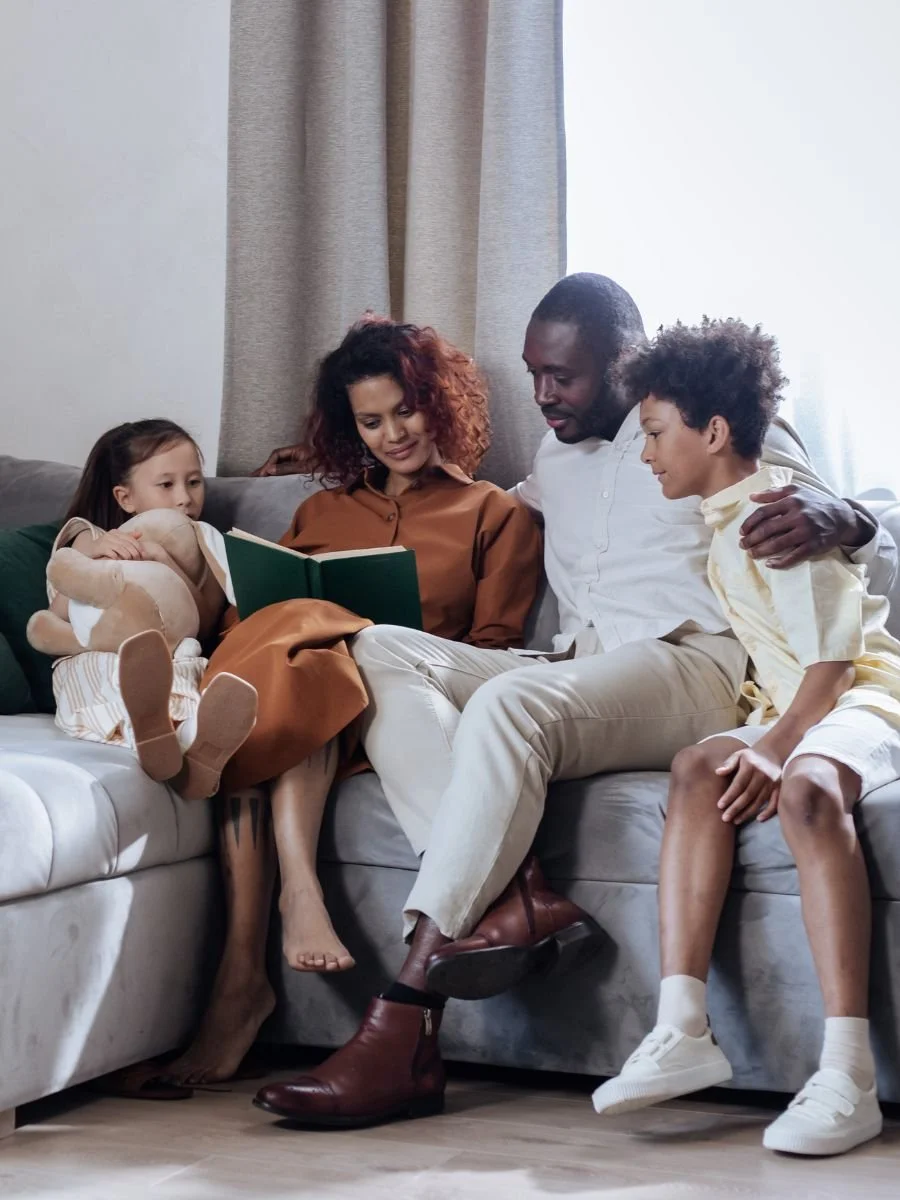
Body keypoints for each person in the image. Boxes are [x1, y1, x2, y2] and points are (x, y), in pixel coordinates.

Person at [253, 274, 898, 1130]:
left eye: (566, 376)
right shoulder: (555, 457)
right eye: (534, 374)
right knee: (375, 651)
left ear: (626, 365)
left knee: (512, 708)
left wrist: (844, 514)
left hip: (687, 661)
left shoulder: (694, 425)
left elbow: (826, 517)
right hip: (576, 664)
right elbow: (485, 504)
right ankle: (515, 897)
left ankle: (407, 1003)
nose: (545, 394)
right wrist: (348, 471)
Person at [163, 316, 544, 1089]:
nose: (393, 434)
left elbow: (497, 656)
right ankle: (253, 962)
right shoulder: (322, 513)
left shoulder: (497, 515)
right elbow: (252, 625)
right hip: (299, 705)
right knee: (297, 658)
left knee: (313, 654)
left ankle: (256, 955)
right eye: (370, 422)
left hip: (392, 709)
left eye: (405, 411)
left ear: (439, 403)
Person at [591, 318, 900, 1157]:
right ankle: (682, 1026)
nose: (647, 454)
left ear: (714, 431)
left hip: (869, 695)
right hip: (801, 697)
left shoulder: (777, 516)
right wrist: (757, 738)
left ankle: (848, 1076)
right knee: (696, 768)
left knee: (803, 788)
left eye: (655, 434)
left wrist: (775, 747)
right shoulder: (724, 516)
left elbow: (836, 664)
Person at [44, 419, 257, 797]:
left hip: (172, 653)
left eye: (194, 482)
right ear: (125, 498)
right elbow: (60, 612)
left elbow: (201, 622)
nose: (184, 498)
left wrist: (163, 559)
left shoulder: (203, 542)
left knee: (185, 666)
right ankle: (151, 730)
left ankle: (185, 742)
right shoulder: (88, 536)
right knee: (121, 667)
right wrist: (92, 558)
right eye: (166, 485)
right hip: (95, 652)